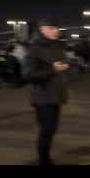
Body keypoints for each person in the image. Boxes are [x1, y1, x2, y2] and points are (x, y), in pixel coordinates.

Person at [23, 18, 70, 165]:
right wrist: (53, 69)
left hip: (56, 94)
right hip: (42, 96)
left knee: (51, 129)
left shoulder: (57, 45)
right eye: (51, 28)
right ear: (42, 29)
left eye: (56, 28)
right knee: (47, 130)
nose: (55, 31)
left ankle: (46, 157)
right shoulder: (34, 47)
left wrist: (67, 68)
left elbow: (61, 65)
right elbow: (28, 74)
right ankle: (44, 160)